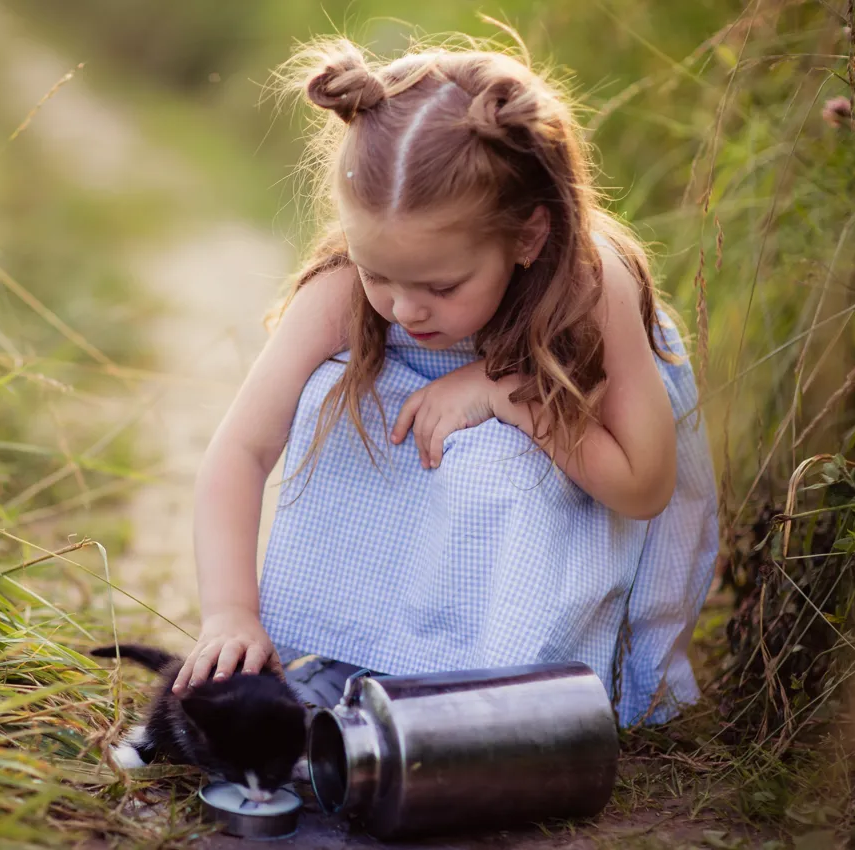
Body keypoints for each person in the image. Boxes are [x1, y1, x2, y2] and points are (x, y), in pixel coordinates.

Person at [172, 37, 718, 725]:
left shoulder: (587, 288)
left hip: (550, 551)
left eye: (441, 285)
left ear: (528, 237)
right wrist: (229, 612)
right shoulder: (342, 292)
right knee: (335, 395)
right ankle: (356, 657)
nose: (404, 309)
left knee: (496, 449)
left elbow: (645, 487)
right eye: (379, 275)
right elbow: (241, 450)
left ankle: (501, 695)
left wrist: (503, 394)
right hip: (413, 543)